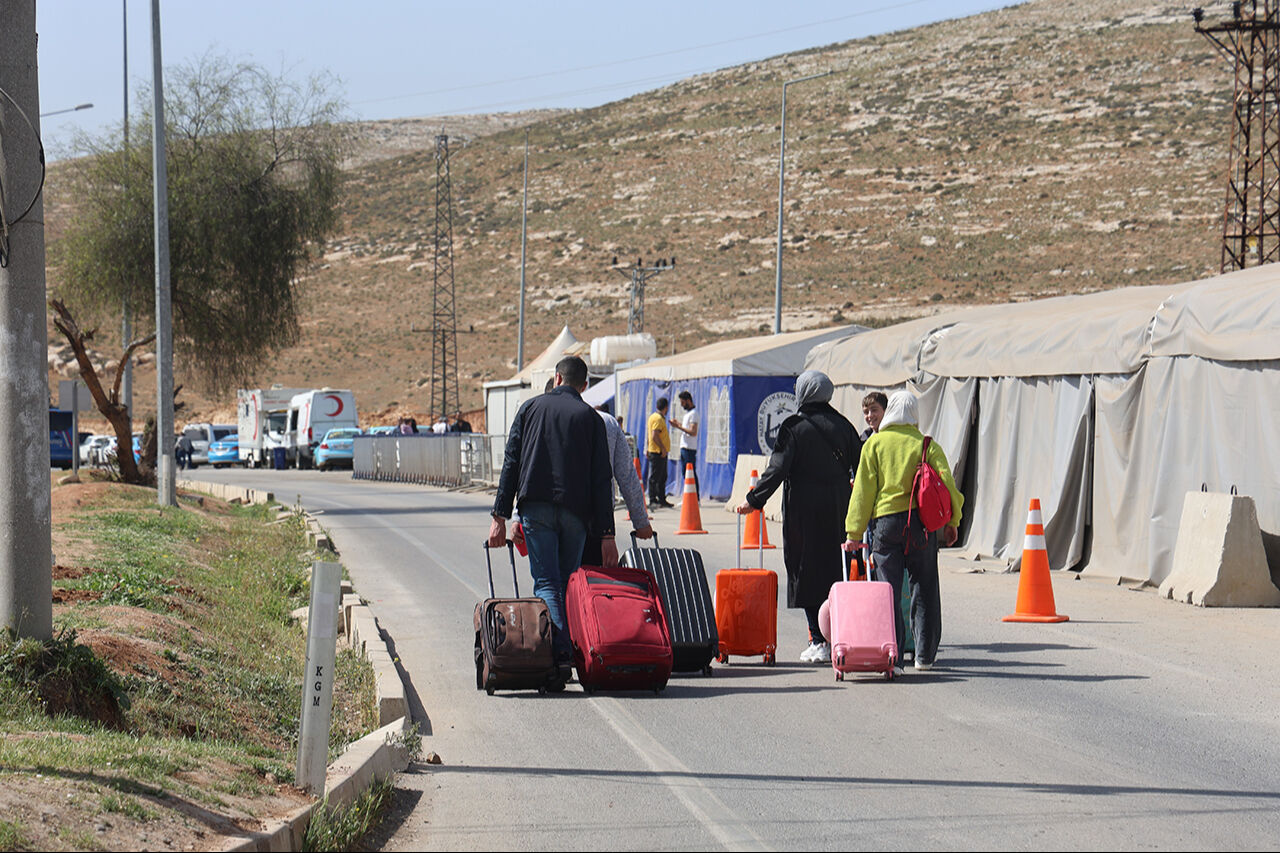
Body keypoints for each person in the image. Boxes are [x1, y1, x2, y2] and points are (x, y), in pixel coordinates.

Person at [488, 356, 617, 687]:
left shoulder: (530, 409)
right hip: (577, 514)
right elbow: (603, 481)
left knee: (547, 583)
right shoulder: (591, 419)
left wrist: (500, 517)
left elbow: (511, 463)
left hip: (537, 509)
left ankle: (558, 657)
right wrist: (606, 535)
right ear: (584, 386)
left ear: (556, 377)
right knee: (567, 582)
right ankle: (565, 652)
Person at [735, 371, 861, 664]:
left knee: (806, 568)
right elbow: (863, 467)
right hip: (840, 506)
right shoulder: (844, 426)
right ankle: (839, 634)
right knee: (836, 568)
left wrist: (754, 500)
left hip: (804, 509)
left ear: (804, 392)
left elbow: (777, 468)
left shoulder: (794, 426)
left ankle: (818, 639)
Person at [844, 390, 963, 672]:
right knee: (925, 588)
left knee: (888, 591)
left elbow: (862, 492)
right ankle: (924, 656)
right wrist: (953, 522)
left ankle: (892, 657)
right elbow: (948, 487)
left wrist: (854, 533)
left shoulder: (874, 445)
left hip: (885, 525)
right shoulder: (925, 445)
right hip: (921, 525)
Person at [581, 406, 654, 565]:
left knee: (550, 584)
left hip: (552, 520)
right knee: (592, 580)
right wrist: (641, 521)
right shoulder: (607, 422)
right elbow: (626, 475)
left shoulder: (541, 416)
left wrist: (519, 516)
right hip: (596, 522)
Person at [670, 390, 700, 498]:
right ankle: (689, 496)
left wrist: (678, 426)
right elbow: (686, 429)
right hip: (684, 447)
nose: (682, 405)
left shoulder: (694, 414)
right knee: (685, 473)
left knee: (690, 473)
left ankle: (695, 497)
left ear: (688, 401)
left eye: (683, 402)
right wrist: (678, 424)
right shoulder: (688, 414)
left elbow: (693, 432)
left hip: (689, 448)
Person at [646, 397, 673, 509]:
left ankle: (661, 499)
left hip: (655, 450)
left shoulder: (653, 417)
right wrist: (662, 448)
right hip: (657, 452)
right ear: (666, 407)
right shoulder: (658, 419)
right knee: (655, 477)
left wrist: (647, 447)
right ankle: (653, 499)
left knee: (662, 476)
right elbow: (654, 435)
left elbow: (649, 436)